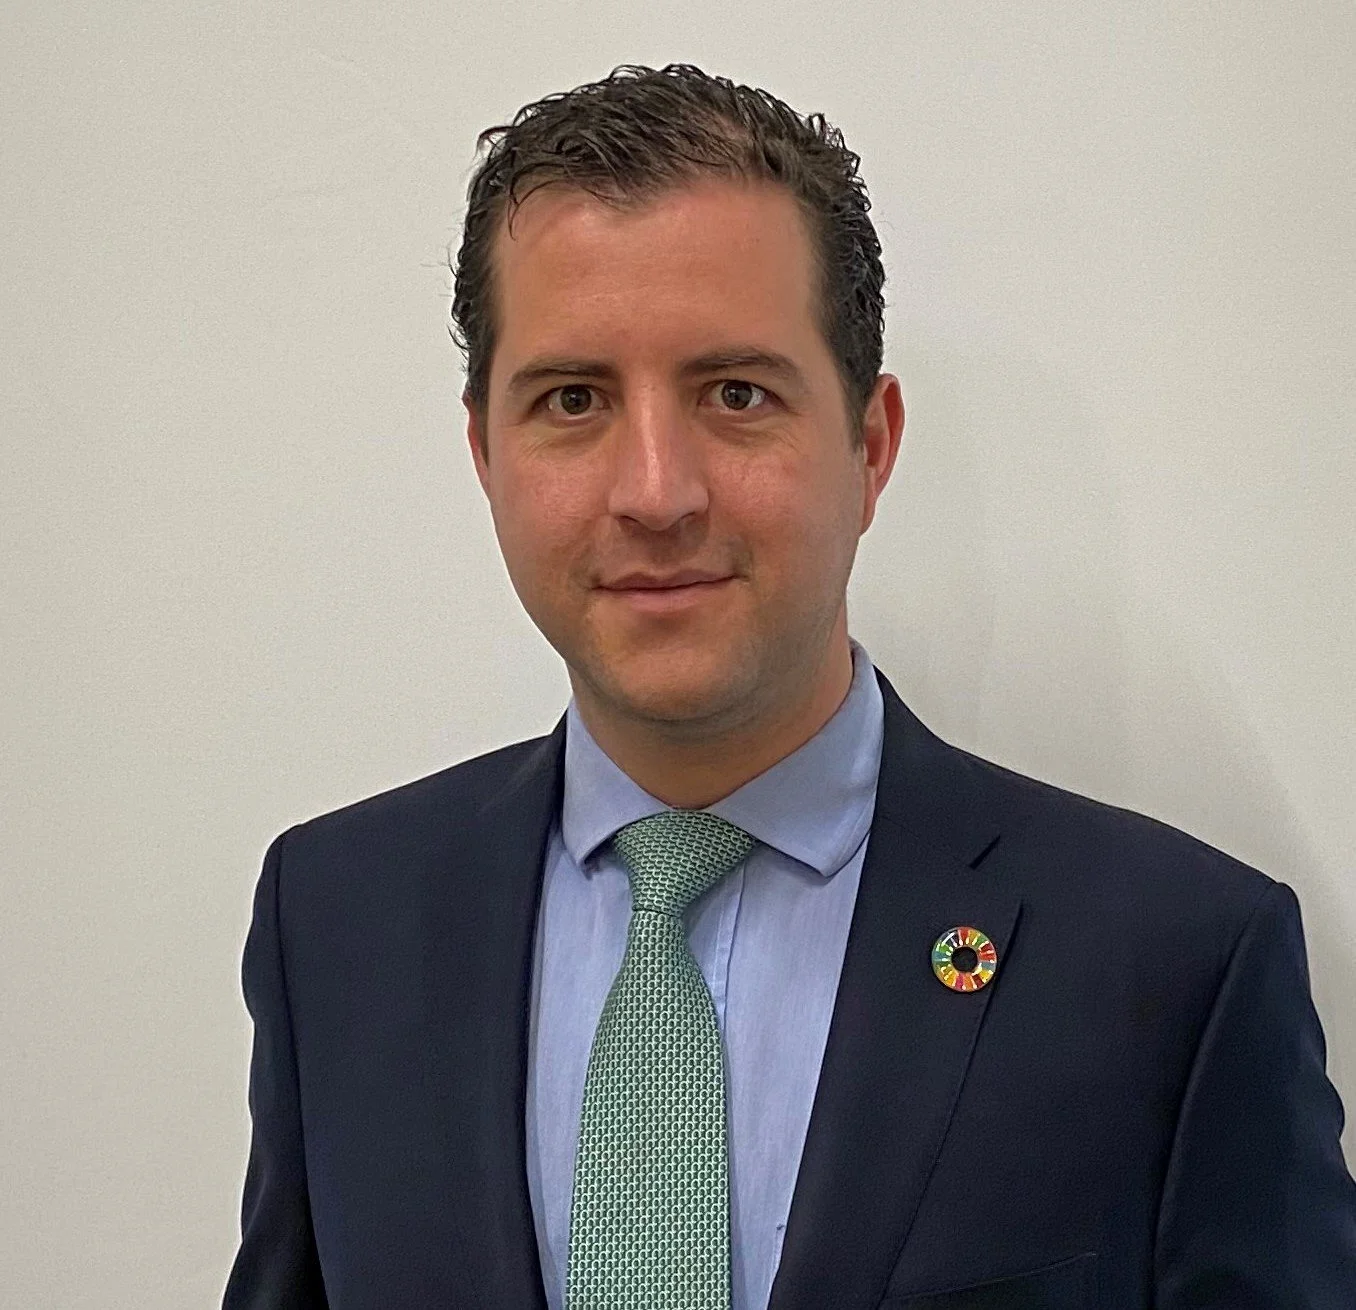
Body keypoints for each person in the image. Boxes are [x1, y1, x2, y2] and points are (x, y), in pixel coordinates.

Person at [222, 62, 1356, 1310]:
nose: (657, 491)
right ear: (486, 452)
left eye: (736, 392)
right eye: (573, 399)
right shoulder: (335, 926)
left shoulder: (1177, 964)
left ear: (869, 447)